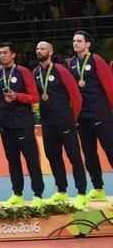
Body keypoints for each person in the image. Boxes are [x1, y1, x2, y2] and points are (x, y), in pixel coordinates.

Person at [0, 43, 44, 205]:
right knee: (12, 161)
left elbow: (34, 97)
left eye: (5, 53)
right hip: (6, 125)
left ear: (13, 55)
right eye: (0, 53)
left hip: (23, 123)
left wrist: (17, 96)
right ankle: (17, 193)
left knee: (31, 160)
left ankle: (37, 195)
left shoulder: (23, 72)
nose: (2, 56)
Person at [35, 42, 86, 204]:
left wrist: (74, 118)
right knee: (53, 156)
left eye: (42, 49)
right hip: (47, 123)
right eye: (37, 49)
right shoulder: (35, 72)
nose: (39, 51)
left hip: (65, 121)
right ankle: (62, 190)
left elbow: (76, 96)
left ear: (50, 52)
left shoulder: (61, 70)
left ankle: (82, 192)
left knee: (74, 156)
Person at [69, 31, 113, 202]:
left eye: (79, 41)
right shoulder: (72, 63)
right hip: (83, 117)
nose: (76, 44)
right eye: (74, 41)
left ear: (88, 44)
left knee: (110, 151)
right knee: (89, 154)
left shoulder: (97, 60)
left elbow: (109, 86)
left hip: (101, 114)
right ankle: (98, 188)